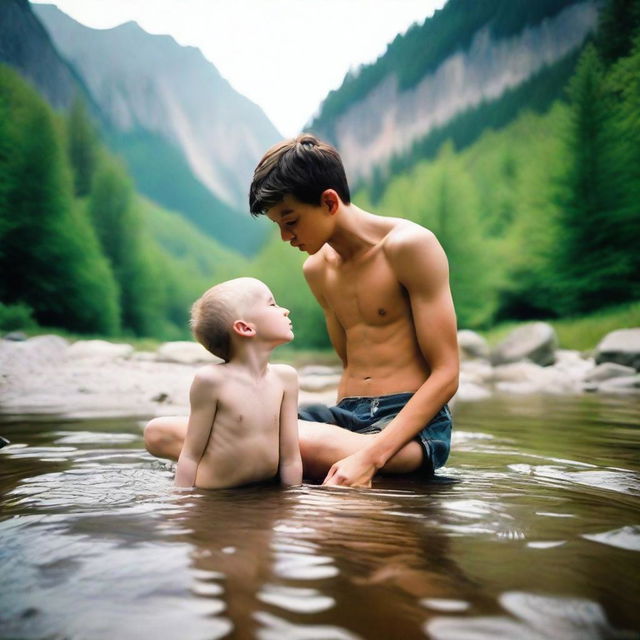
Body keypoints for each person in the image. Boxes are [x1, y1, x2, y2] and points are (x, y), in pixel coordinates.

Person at [145, 134, 458, 488]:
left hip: (412, 428)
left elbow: (447, 373)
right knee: (161, 432)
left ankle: (246, 467)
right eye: (278, 224)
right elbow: (349, 360)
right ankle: (266, 461)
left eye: (290, 221)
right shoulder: (318, 270)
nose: (284, 236)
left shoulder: (410, 246)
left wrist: (369, 458)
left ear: (329, 202)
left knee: (288, 440)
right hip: (345, 415)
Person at [173, 277, 302, 489]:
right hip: (214, 499)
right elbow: (190, 455)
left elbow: (291, 458)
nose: (285, 310)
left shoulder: (286, 378)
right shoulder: (212, 380)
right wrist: (183, 504)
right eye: (272, 304)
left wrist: (293, 501)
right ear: (245, 328)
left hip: (263, 494)